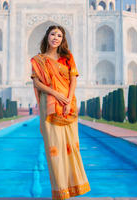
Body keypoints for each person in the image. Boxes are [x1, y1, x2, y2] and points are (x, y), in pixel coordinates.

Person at [31, 25, 90, 199]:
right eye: (52, 34)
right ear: (47, 37)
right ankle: (60, 192)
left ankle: (74, 188)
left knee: (71, 147)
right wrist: (55, 93)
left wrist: (68, 100)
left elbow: (73, 81)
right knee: (54, 150)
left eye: (59, 35)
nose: (55, 37)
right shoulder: (39, 60)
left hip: (67, 105)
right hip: (49, 105)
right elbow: (36, 84)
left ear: (62, 39)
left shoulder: (67, 57)